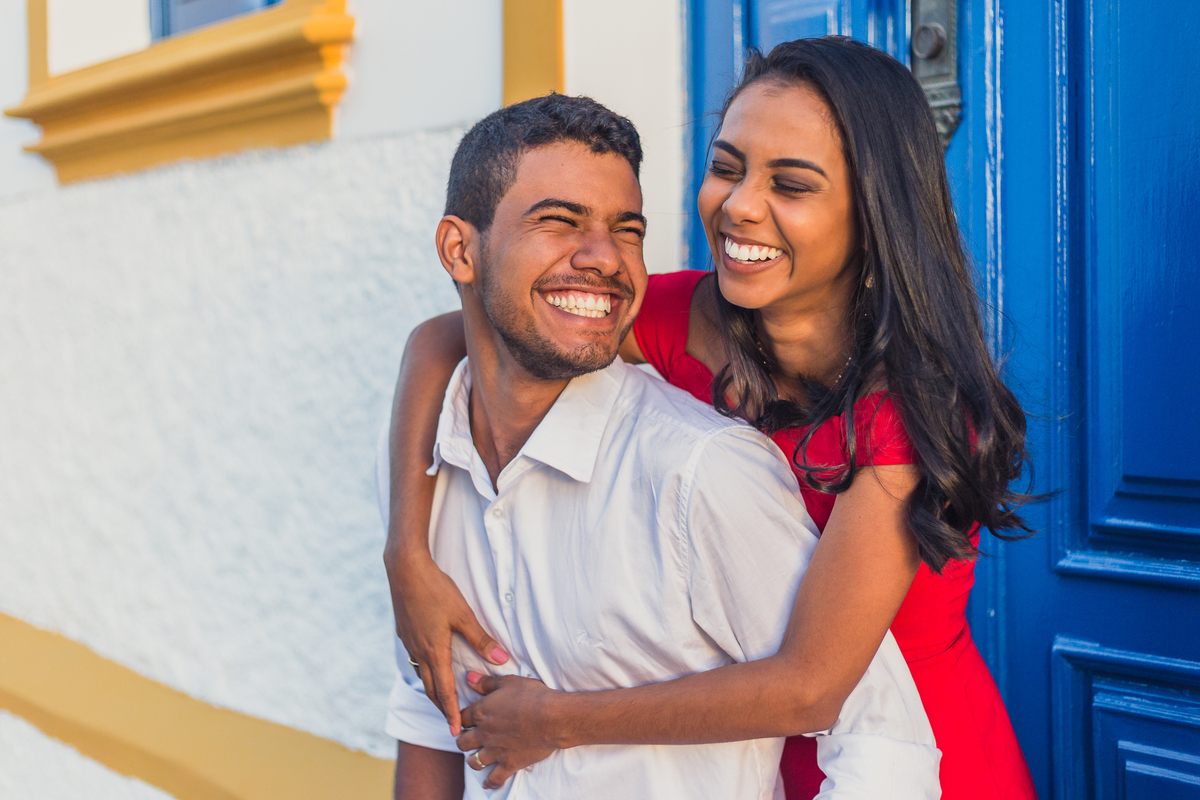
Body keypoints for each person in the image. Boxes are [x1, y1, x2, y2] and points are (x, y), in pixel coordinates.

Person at [384, 38, 1038, 800]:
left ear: (873, 214)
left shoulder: (909, 408)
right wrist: (407, 552)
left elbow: (812, 686)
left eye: (789, 184)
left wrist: (557, 719)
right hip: (750, 758)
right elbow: (452, 335)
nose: (738, 205)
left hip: (908, 760)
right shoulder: (685, 318)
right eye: (727, 168)